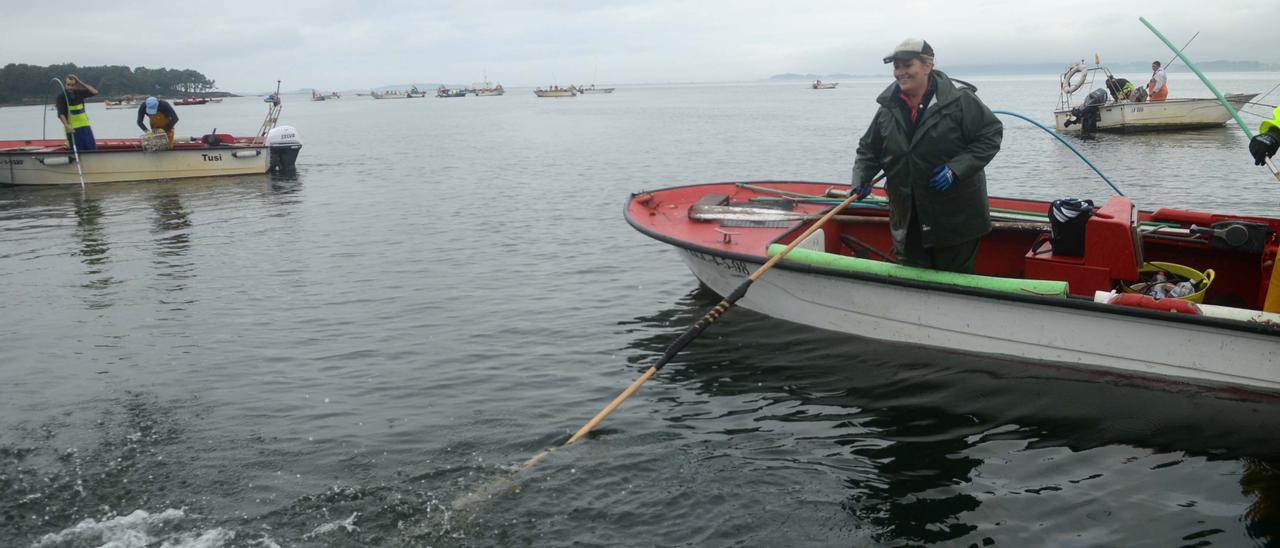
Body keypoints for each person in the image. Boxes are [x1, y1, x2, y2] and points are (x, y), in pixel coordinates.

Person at [851, 38, 1003, 274]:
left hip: (956, 221)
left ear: (927, 65)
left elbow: (990, 135)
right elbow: (868, 150)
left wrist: (956, 168)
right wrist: (861, 177)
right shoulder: (887, 109)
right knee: (912, 287)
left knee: (954, 288)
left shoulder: (960, 101)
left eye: (907, 65)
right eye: (896, 67)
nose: (900, 73)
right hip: (907, 220)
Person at [55, 74, 98, 152]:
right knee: (78, 151)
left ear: (76, 85)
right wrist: (67, 126)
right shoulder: (61, 97)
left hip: (86, 127)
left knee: (92, 149)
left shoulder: (79, 93)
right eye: (68, 85)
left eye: (73, 85)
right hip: (73, 129)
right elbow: (61, 114)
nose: (70, 87)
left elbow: (95, 92)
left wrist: (79, 81)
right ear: (65, 84)